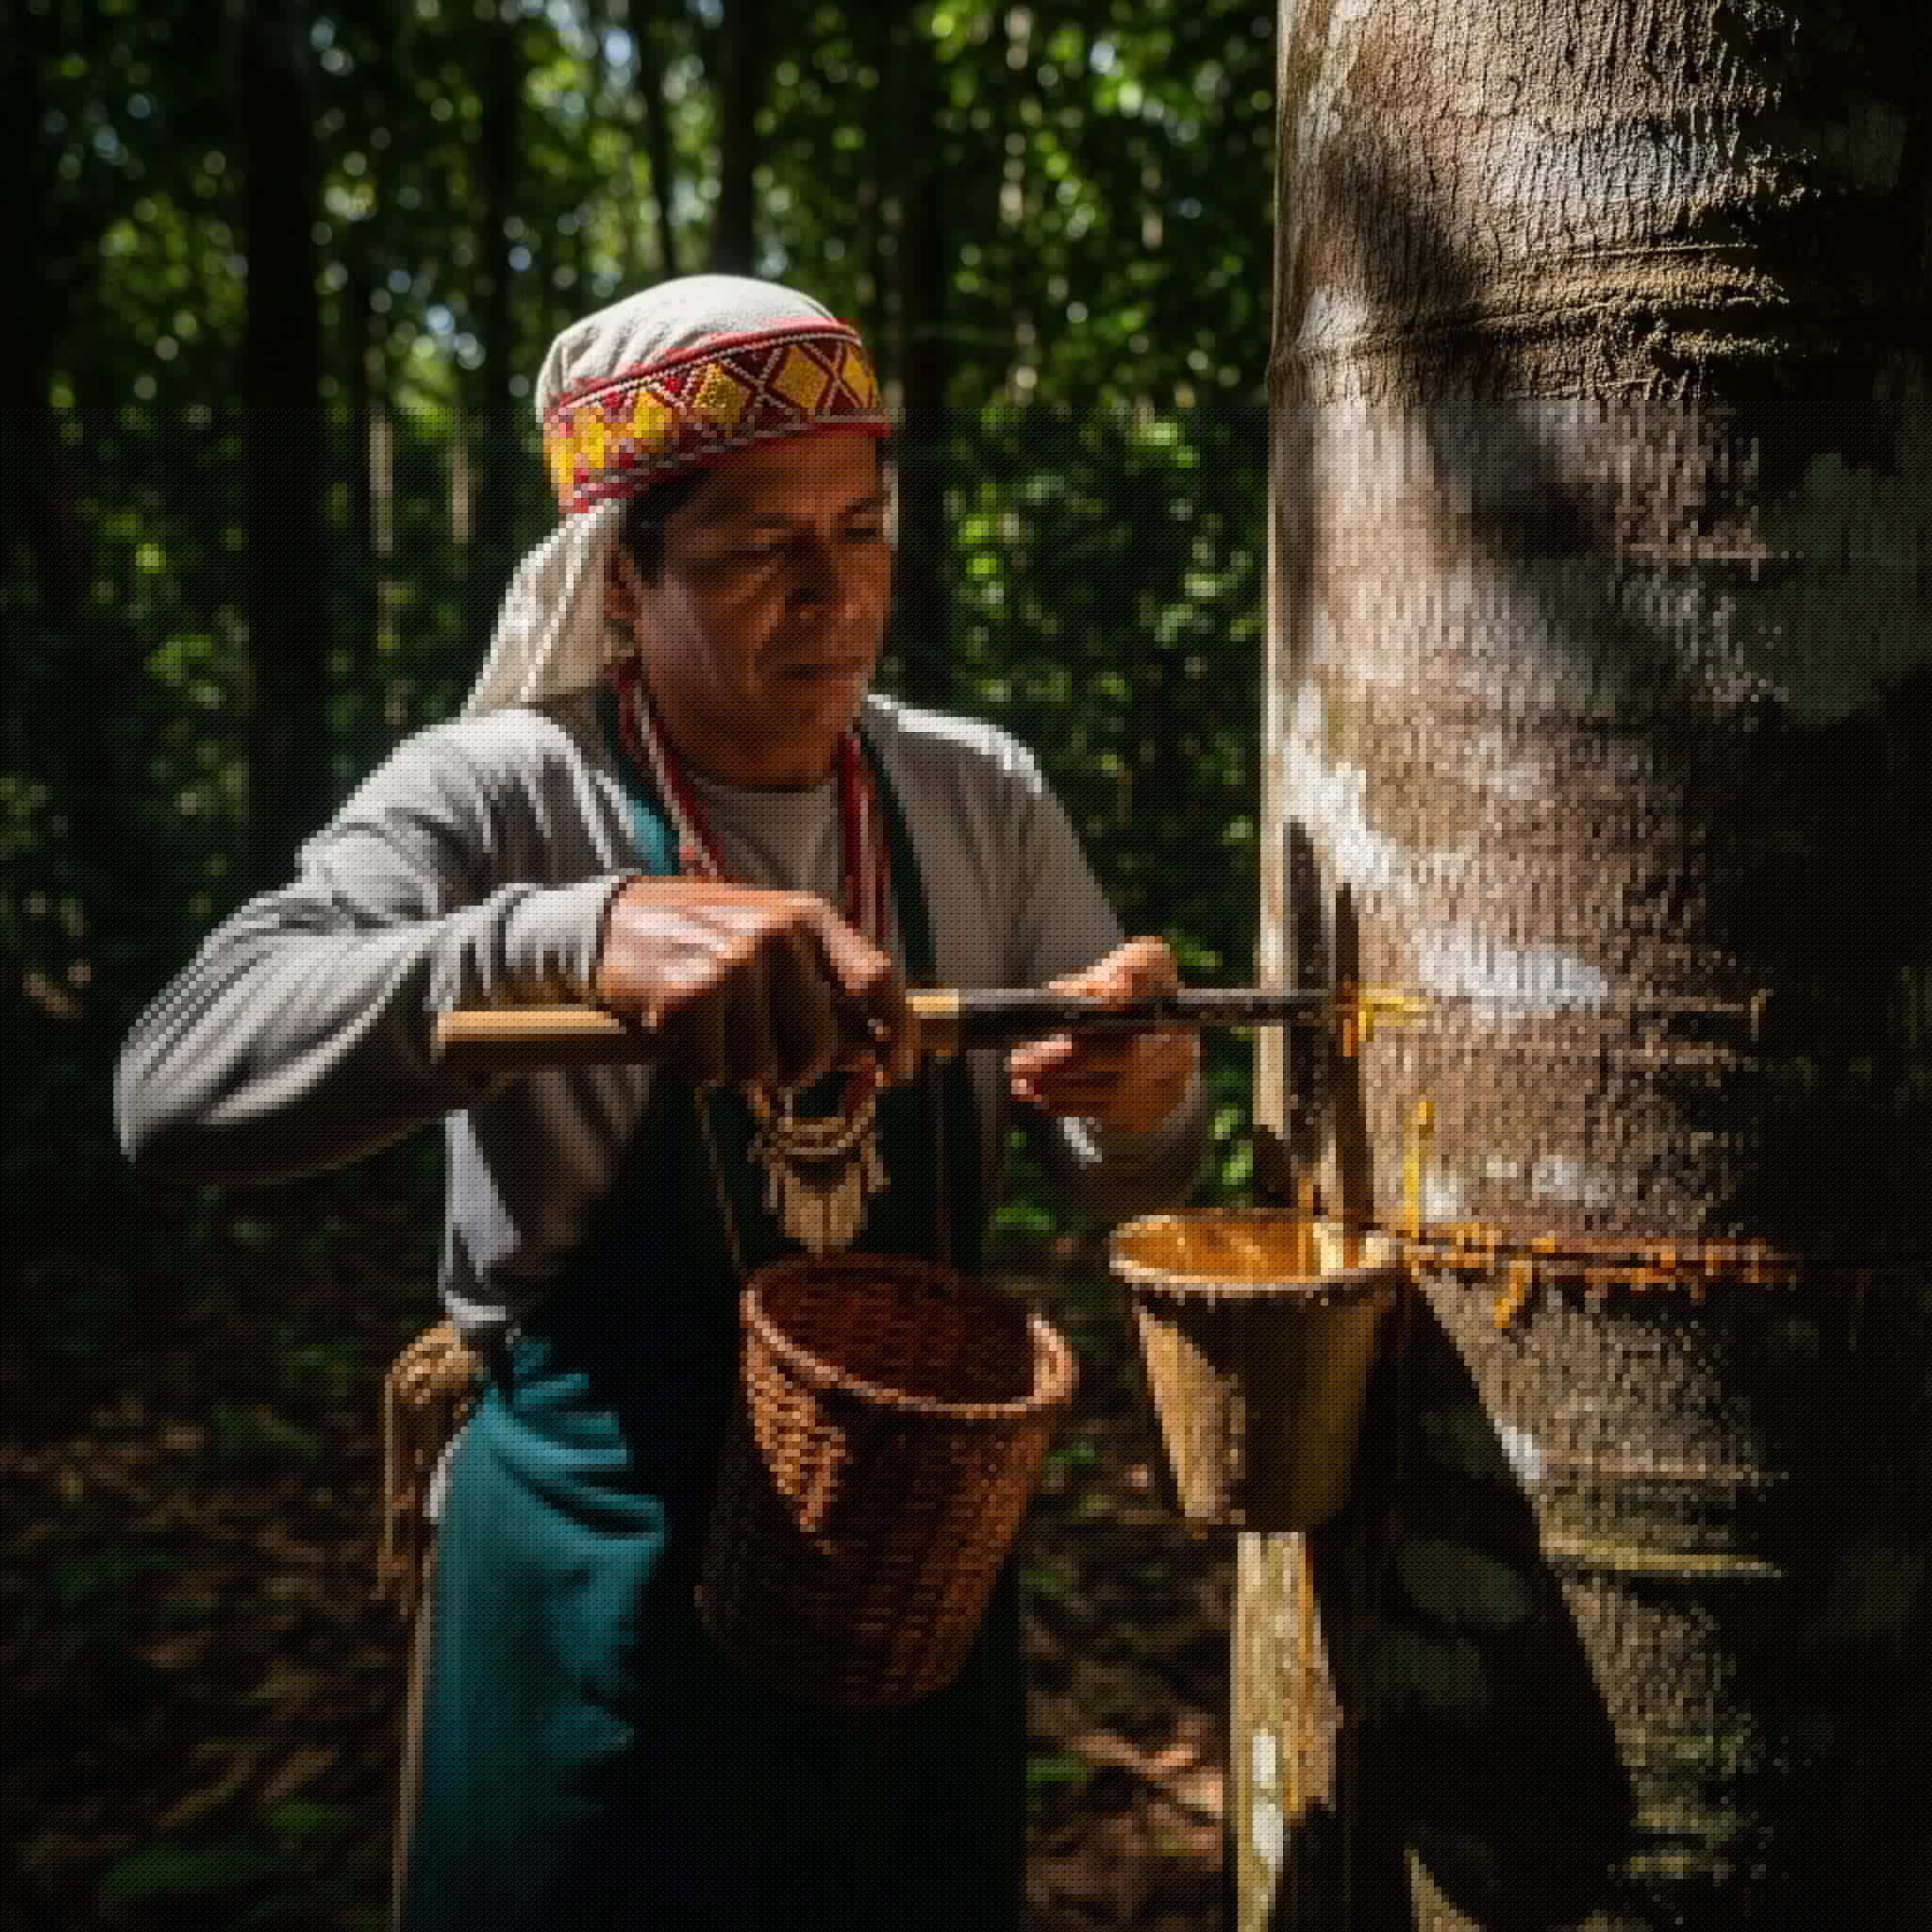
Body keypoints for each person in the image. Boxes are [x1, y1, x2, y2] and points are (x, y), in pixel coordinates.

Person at [115, 275, 1208, 1930]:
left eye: (862, 527)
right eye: (763, 547)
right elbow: (174, 1080)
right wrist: (575, 933)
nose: (836, 594)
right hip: (592, 1588)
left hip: (910, 1581)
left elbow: (1130, 1186)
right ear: (623, 587)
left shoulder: (975, 796)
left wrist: (1134, 1102)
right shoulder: (502, 797)